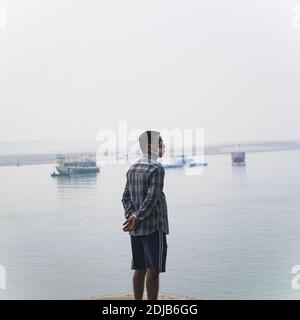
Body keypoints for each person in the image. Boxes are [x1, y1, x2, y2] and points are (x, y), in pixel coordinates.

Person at [121, 130, 169, 300]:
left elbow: (125, 197)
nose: (164, 146)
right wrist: (138, 217)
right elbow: (152, 198)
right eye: (160, 143)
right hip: (154, 226)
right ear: (150, 147)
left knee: (139, 268)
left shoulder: (132, 168)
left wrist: (131, 215)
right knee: (153, 270)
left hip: (136, 229)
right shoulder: (157, 168)